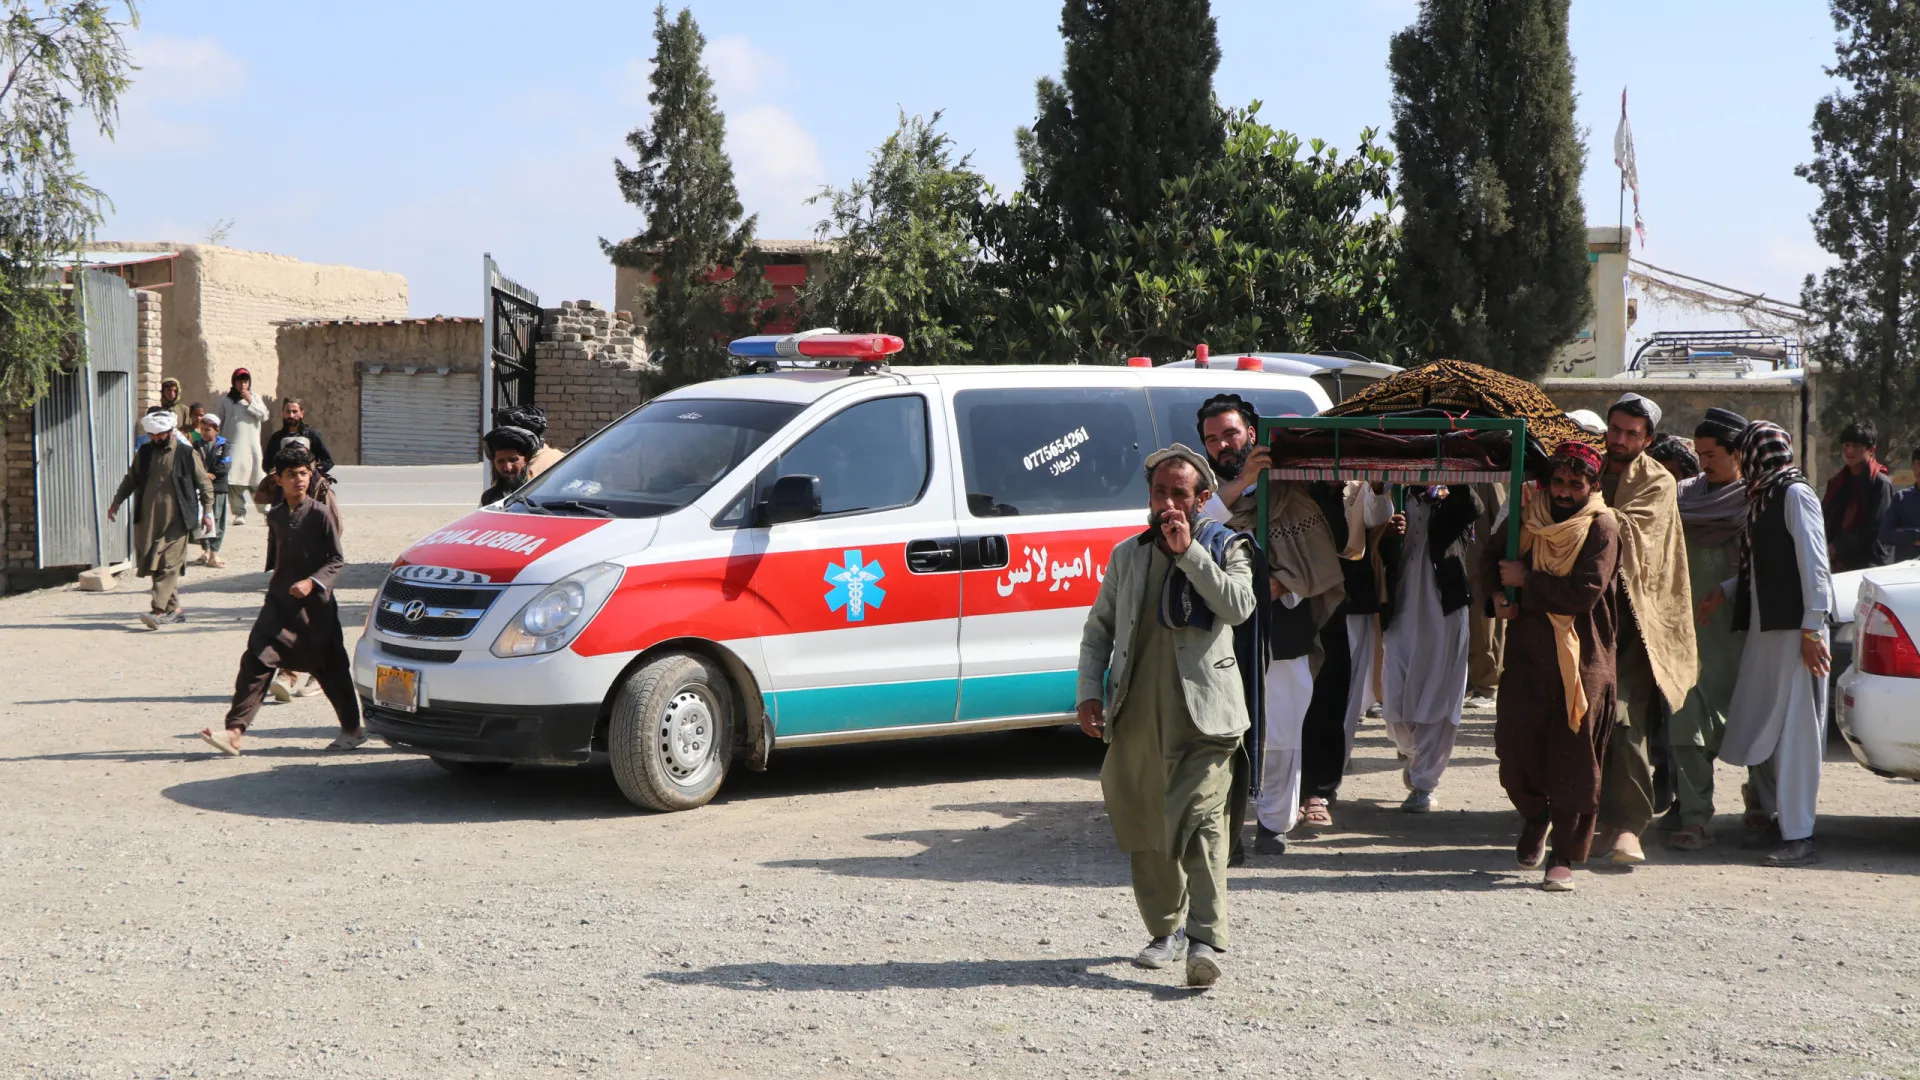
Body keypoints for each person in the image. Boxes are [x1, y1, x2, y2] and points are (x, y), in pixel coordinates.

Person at [1076, 445, 1257, 988]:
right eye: (1160, 492)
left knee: (1201, 822)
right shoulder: (1128, 555)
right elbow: (1099, 629)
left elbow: (1239, 606)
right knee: (1147, 826)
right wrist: (1090, 690)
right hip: (1139, 716)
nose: (1169, 504)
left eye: (1181, 494)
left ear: (1203, 499)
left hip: (1206, 718)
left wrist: (1190, 556)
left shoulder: (1227, 546)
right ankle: (1165, 929)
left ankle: (1205, 940)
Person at [1196, 397, 1357, 852]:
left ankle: (1272, 823)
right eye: (1212, 439)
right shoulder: (1201, 493)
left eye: (1230, 434)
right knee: (1221, 732)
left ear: (1251, 433)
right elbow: (1187, 535)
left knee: (1282, 732)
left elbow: (1320, 566)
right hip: (1219, 638)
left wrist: (1281, 585)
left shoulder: (1289, 495)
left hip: (1282, 634)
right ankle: (1221, 826)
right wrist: (1242, 483)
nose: (1222, 445)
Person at [1484, 441, 1622, 891]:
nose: (1564, 491)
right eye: (1558, 481)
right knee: (1514, 744)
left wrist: (1528, 581)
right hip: (1527, 651)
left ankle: (1563, 853)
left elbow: (1585, 590)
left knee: (1575, 755)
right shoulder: (1527, 514)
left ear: (1592, 486)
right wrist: (1499, 596)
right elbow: (1489, 561)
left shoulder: (1602, 525)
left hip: (1582, 658)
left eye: (1575, 484)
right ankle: (1535, 814)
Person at [1700, 422, 1832, 867]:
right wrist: (1726, 589)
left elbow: (1815, 565)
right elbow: (1766, 566)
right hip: (1770, 633)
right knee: (1769, 730)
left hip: (1797, 636)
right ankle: (1776, 820)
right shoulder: (1764, 498)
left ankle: (1801, 835)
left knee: (1797, 736)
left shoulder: (1794, 494)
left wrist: (1814, 629)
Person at [199, 444, 365, 756]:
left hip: (315, 611)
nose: (299, 480)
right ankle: (235, 731)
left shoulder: (320, 514)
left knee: (331, 670)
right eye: (292, 475)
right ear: (279, 479)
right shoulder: (275, 515)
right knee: (256, 660)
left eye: (304, 474)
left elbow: (335, 560)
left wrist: (311, 582)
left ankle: (352, 729)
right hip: (279, 605)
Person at [1594, 392, 1698, 865]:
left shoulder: (1656, 481)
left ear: (1647, 439)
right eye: (1614, 429)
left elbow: (1632, 533)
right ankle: (1579, 814)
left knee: (1624, 719)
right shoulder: (1586, 468)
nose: (1619, 439)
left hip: (1632, 620)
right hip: (1575, 613)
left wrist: (1580, 514)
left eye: (1630, 433)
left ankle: (1627, 824)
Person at [1663, 409, 1751, 851]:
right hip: (1687, 633)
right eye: (1699, 454)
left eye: (1712, 454)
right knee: (1685, 725)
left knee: (1754, 721)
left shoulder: (1756, 499)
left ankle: (1760, 808)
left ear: (1739, 454)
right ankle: (1696, 817)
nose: (1704, 463)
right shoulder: (1681, 496)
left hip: (1740, 634)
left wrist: (1729, 588)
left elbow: (1766, 566)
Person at [1382, 483, 1482, 812]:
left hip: (1444, 606)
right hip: (1400, 604)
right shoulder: (1390, 491)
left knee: (1439, 693)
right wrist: (1386, 529)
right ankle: (1415, 755)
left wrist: (1447, 476)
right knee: (1395, 698)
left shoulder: (1453, 495)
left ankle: (1424, 782)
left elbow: (1472, 506)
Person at [108, 412, 214, 630]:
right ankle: (174, 610)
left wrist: (207, 512)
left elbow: (204, 484)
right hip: (149, 519)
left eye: (160, 435)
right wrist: (116, 502)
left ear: (170, 431)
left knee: (169, 564)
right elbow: (131, 479)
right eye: (152, 435)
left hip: (179, 519)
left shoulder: (186, 453)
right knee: (155, 565)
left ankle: (157, 610)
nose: (156, 439)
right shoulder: (145, 453)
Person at [1823, 419, 1893, 572]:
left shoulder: (1880, 483)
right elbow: (1826, 517)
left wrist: (1837, 546)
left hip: (1869, 564)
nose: (1849, 451)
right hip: (1838, 563)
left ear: (1871, 450)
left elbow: (1875, 529)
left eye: (1856, 446)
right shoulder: (1838, 482)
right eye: (1846, 445)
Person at [1463, 482, 1509, 708]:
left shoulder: (1488, 479)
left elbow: (1503, 521)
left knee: (1485, 628)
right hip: (1455, 562)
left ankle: (1488, 685)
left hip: (1481, 565)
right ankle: (1470, 683)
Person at [213, 369, 269, 527]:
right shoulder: (226, 400)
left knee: (256, 481)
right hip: (233, 447)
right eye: (239, 381)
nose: (242, 384)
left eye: (245, 381)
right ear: (234, 382)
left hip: (252, 448)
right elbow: (221, 422)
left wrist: (249, 399)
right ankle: (239, 513)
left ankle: (266, 512)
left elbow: (264, 416)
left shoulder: (255, 398)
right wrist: (219, 444)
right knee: (234, 481)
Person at [189, 413, 232, 569]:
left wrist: (208, 474)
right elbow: (193, 464)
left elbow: (225, 466)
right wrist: (204, 475)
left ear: (216, 430)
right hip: (201, 487)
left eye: (208, 429)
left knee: (217, 519)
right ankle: (205, 550)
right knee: (202, 518)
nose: (205, 433)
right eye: (202, 429)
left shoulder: (223, 445)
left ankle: (215, 552)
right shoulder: (196, 445)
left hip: (218, 487)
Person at [265, 398, 335, 474]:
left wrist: (312, 471)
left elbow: (328, 462)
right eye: (288, 412)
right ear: (283, 413)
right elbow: (267, 464)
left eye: (294, 412)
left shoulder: (312, 435)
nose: (291, 415)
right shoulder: (276, 438)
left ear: (302, 413)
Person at [482, 423, 542, 505]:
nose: (508, 467)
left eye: (513, 460)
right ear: (494, 462)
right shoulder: (488, 498)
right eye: (501, 461)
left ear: (526, 459)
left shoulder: (541, 494)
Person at [1880, 446, 1920, 563]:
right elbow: (1885, 533)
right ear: (1912, 466)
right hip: (1903, 574)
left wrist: (1903, 532)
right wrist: (1914, 535)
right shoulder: (1901, 498)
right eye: (1919, 463)